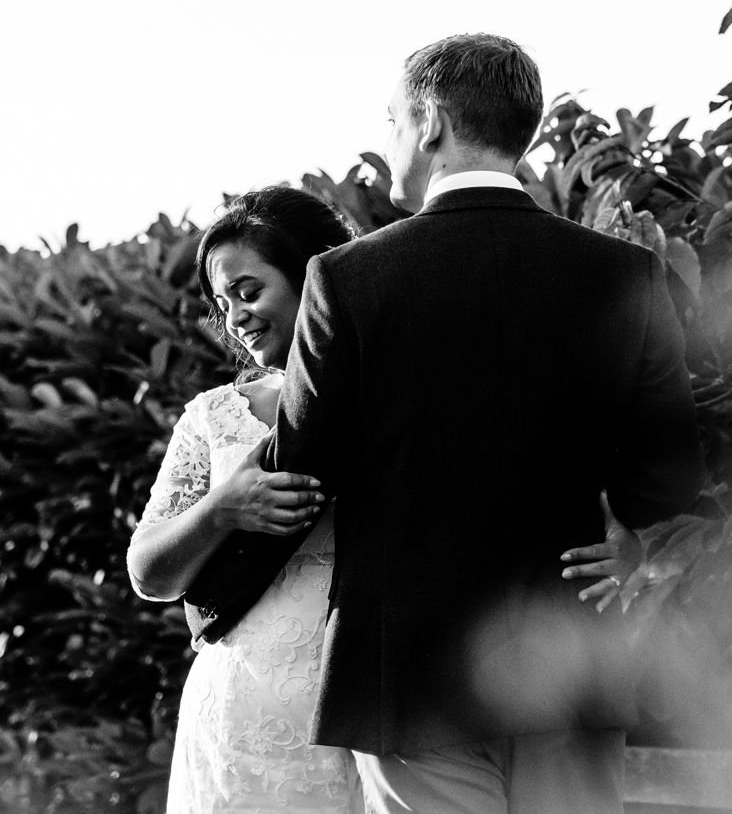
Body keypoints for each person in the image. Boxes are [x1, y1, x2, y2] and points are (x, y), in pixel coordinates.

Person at [183, 34, 704, 814]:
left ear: (428, 123)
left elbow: (305, 462)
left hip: (408, 669)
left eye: (392, 118)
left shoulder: (349, 277)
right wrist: (629, 534)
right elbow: (673, 469)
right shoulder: (625, 274)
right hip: (570, 651)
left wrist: (215, 560)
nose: (390, 140)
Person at [126, 185, 639, 813]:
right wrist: (221, 509)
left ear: (316, 279)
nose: (236, 317)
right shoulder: (216, 417)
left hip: (391, 699)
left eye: (250, 290)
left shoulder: (407, 399)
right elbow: (149, 572)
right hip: (247, 711)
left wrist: (624, 532)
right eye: (223, 300)